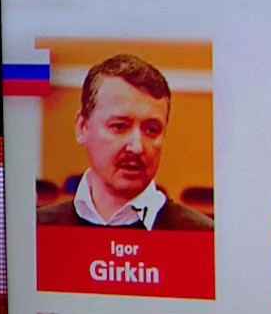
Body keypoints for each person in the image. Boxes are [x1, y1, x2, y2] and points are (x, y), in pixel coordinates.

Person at [37, 54, 214, 231]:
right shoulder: (37, 229)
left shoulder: (200, 235)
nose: (137, 147)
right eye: (120, 126)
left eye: (151, 130)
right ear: (82, 127)